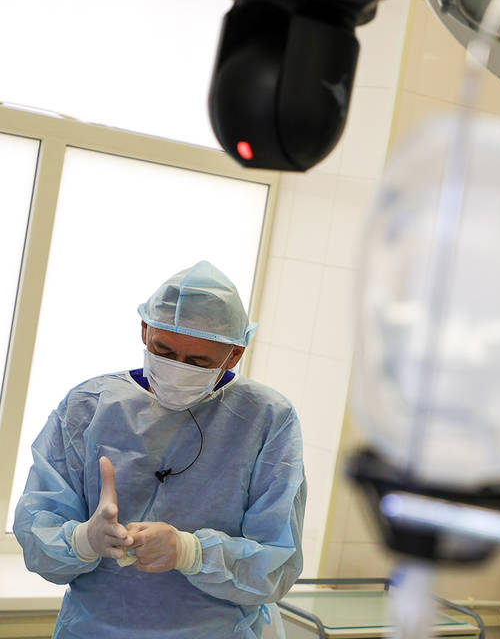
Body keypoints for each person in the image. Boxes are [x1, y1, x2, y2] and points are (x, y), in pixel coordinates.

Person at [14, 260, 305, 638]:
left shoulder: (266, 419)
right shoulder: (89, 407)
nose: (176, 369)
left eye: (198, 361)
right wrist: (84, 540)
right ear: (144, 330)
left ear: (235, 354)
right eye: (163, 351)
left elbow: (277, 564)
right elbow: (39, 528)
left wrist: (191, 552)